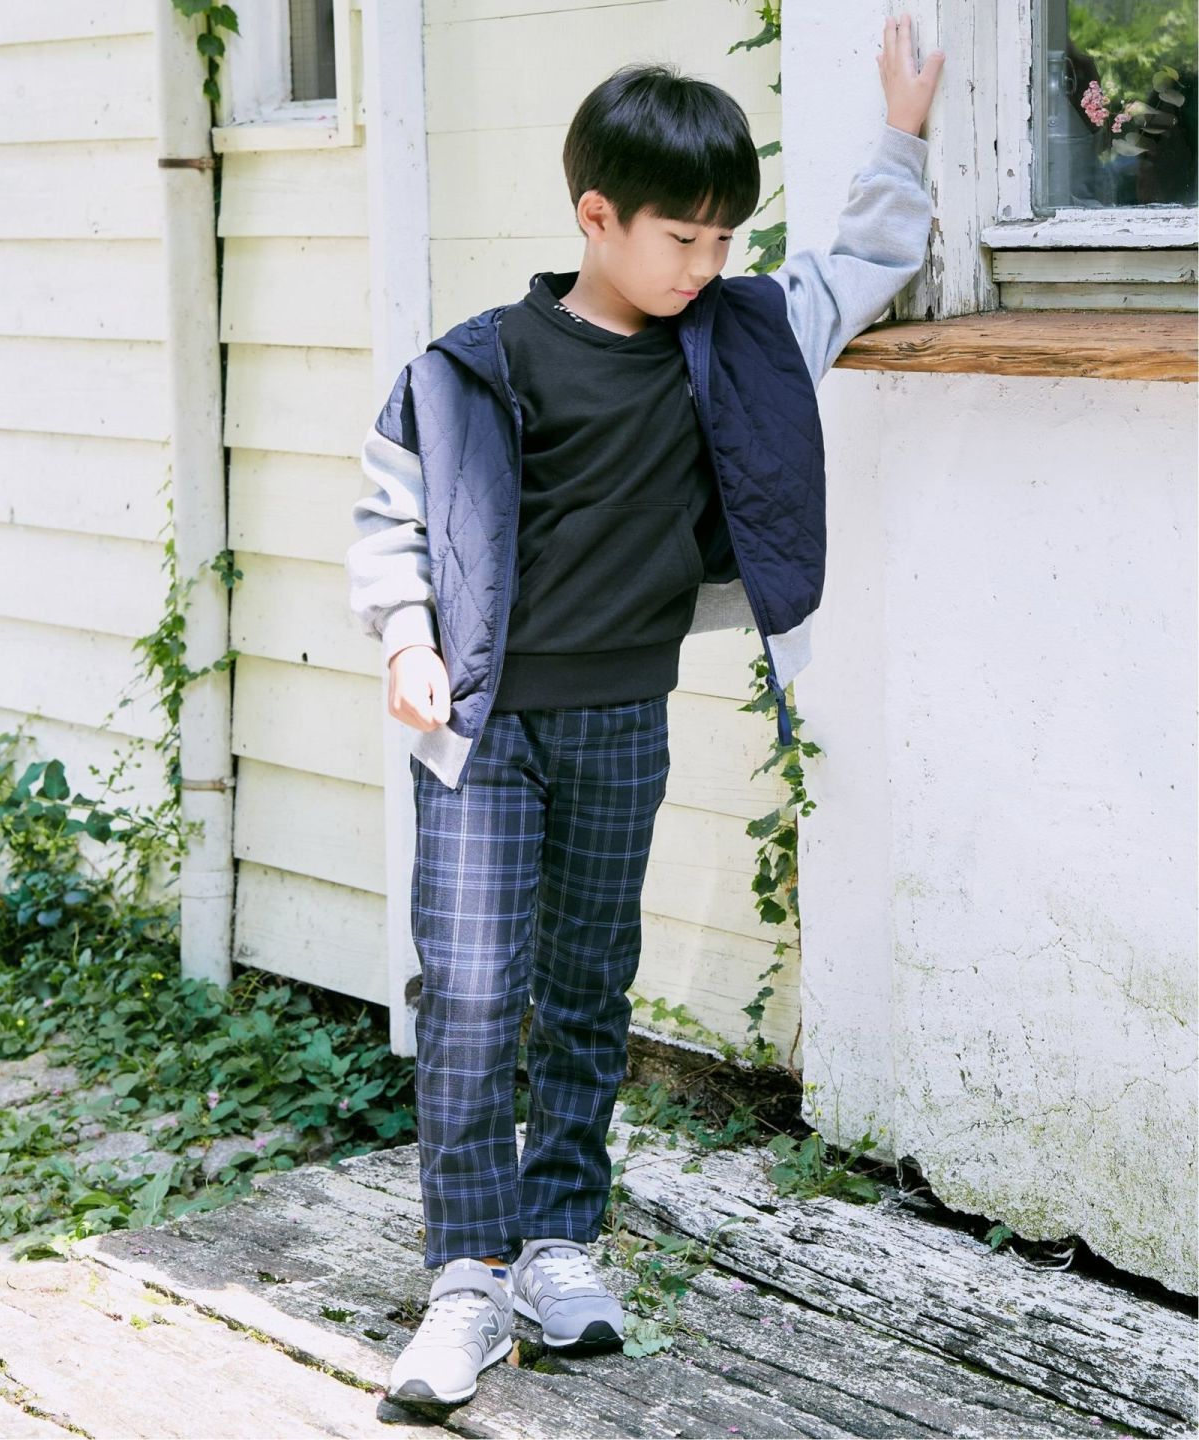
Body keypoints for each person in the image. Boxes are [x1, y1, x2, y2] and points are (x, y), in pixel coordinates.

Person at [345, 13, 944, 1412]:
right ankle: (466, 1276)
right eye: (681, 238)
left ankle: (558, 1244)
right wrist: (408, 641)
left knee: (587, 987)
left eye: (725, 238)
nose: (705, 265)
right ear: (597, 216)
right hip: (483, 731)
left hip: (624, 718)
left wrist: (903, 138)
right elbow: (393, 517)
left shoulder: (731, 338)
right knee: (472, 990)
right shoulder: (477, 362)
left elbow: (855, 267)